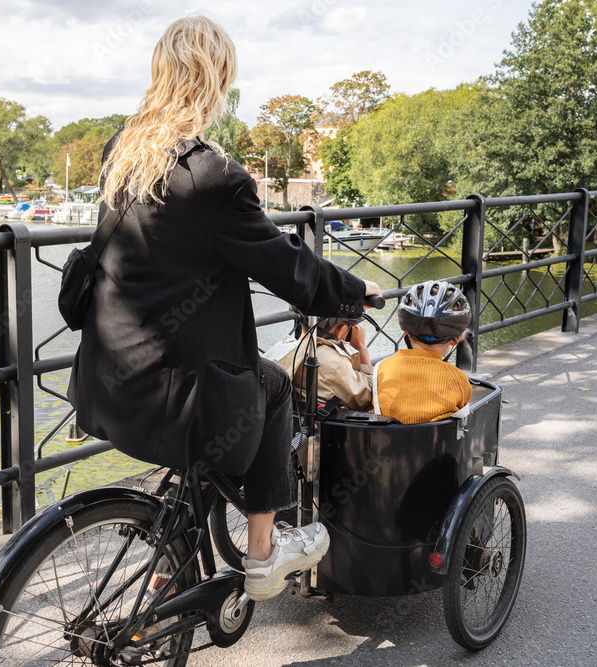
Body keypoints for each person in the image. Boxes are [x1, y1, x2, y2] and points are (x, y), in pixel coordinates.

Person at [67, 15, 381, 602]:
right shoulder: (213, 176)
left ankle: (172, 563)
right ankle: (263, 554)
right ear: (216, 82)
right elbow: (290, 269)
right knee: (274, 387)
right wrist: (352, 292)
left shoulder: (123, 152)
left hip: (105, 377)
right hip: (176, 394)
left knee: (229, 395)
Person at [372, 280, 473, 424]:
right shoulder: (458, 380)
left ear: (405, 332)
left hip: (385, 444)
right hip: (435, 444)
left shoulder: (381, 369)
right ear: (457, 338)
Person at [273, 316, 373, 411]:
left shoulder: (279, 349)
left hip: (290, 425)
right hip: (323, 427)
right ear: (340, 330)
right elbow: (368, 398)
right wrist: (360, 347)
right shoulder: (335, 361)